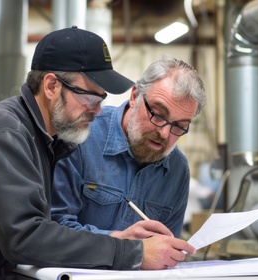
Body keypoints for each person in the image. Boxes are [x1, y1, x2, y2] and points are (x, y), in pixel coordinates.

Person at [0, 27, 195, 280]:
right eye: (90, 96)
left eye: (102, 98)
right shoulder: (2, 133)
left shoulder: (47, 140)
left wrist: (117, 239)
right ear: (51, 85)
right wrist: (133, 253)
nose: (99, 109)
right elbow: (24, 238)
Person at [51, 56, 206, 240]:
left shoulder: (177, 170)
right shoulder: (81, 138)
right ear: (134, 96)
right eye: (157, 114)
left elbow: (167, 244)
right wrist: (123, 245)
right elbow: (54, 228)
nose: (164, 133)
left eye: (179, 126)